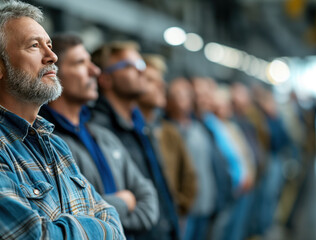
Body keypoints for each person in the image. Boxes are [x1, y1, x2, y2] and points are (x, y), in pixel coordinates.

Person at [0, 2, 124, 239]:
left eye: (49, 45)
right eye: (34, 45)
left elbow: (113, 220)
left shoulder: (56, 145)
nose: (52, 56)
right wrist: (99, 229)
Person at [38, 33, 159, 237]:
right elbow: (68, 220)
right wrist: (125, 202)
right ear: (53, 73)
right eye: (80, 63)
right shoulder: (46, 142)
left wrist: (107, 221)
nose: (94, 71)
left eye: (91, 63)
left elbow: (148, 200)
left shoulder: (103, 136)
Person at [91, 41, 180, 239]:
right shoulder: (100, 130)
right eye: (130, 66)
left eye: (141, 65)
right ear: (106, 80)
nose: (141, 72)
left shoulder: (139, 125)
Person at [136, 55, 197, 218]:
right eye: (150, 80)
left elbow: (189, 176)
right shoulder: (126, 133)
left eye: (161, 80)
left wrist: (177, 209)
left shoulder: (169, 131)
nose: (162, 85)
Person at [165, 77, 217, 240]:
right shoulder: (166, 131)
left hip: (205, 202)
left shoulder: (198, 128)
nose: (184, 99)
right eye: (178, 94)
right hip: (184, 209)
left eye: (187, 94)